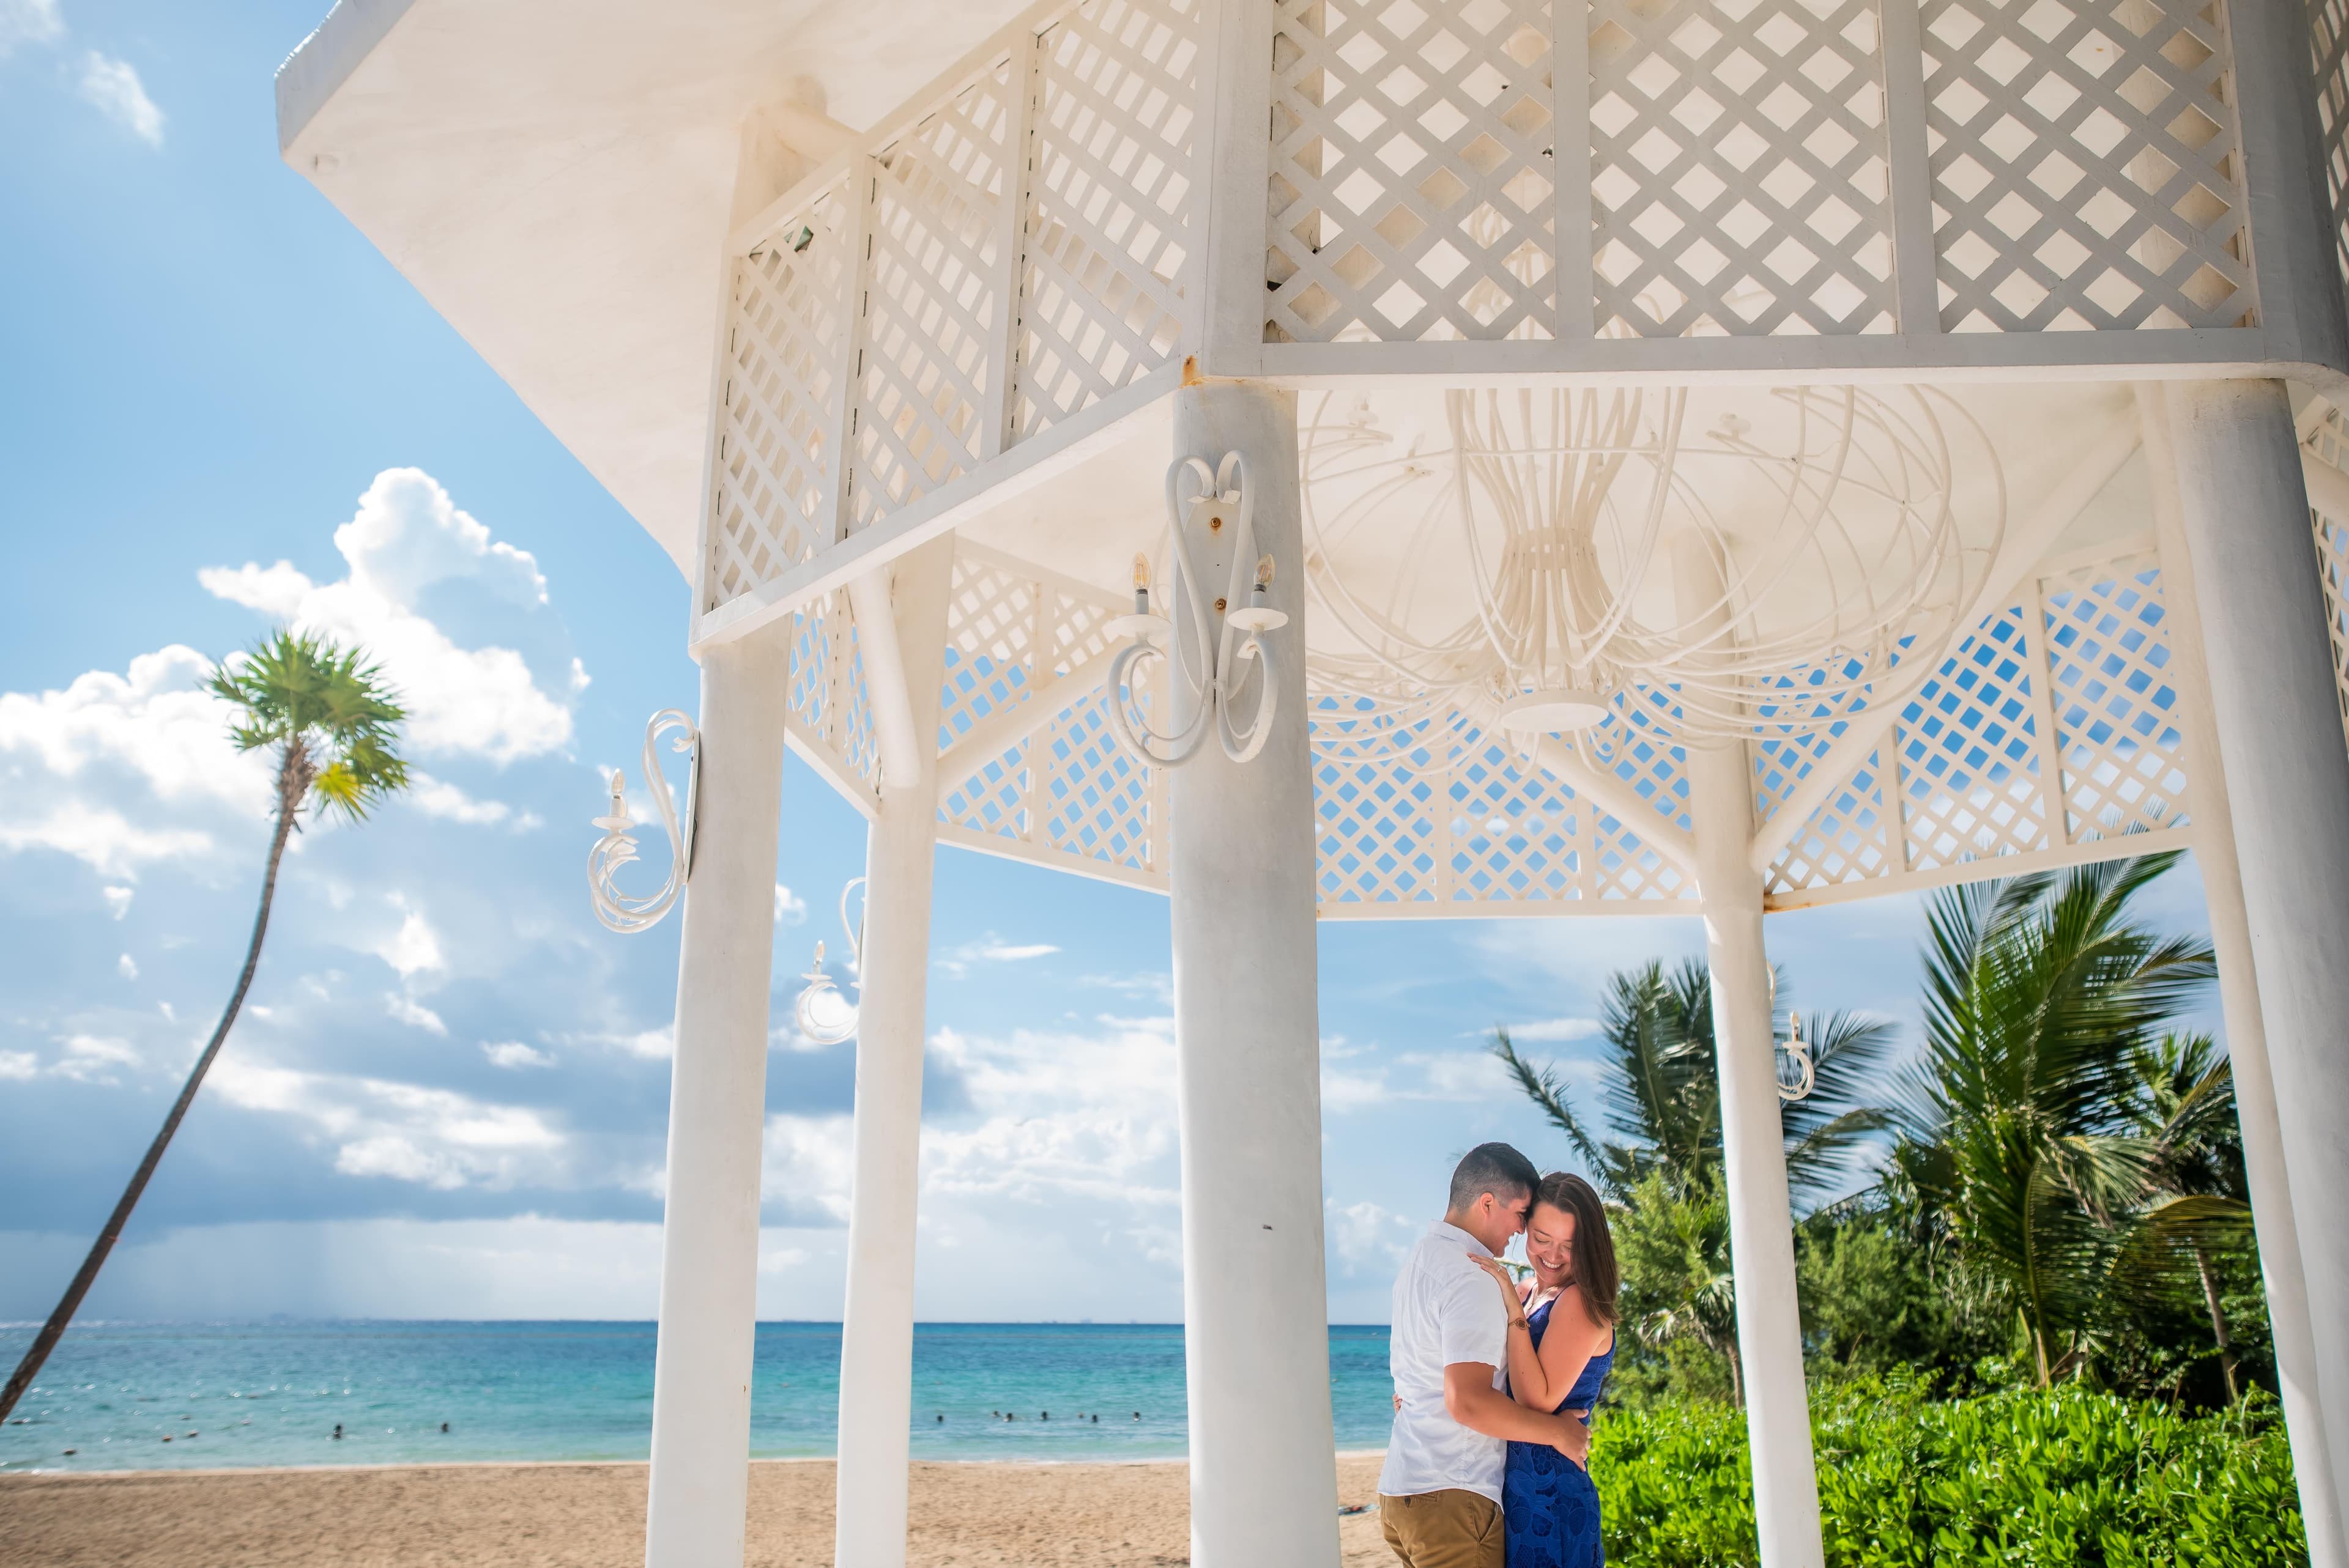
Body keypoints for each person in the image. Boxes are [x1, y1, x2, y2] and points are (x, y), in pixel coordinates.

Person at [1381, 1143, 1592, 1568]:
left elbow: (1420, 1374)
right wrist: (1556, 1432)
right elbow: (1468, 1401)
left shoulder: (1419, 1261)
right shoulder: (1470, 1277)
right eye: (1521, 1216)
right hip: (1454, 1497)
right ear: (1487, 1203)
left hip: (1403, 1490)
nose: (1519, 1231)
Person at [1469, 1171, 1618, 1568]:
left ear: (1590, 1247)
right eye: (1541, 1239)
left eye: (1570, 1246)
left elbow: (1535, 1399)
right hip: (1508, 1487)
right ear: (1524, 1229)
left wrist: (1514, 1313)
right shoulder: (1524, 1293)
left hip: (1550, 1495)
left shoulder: (1579, 1302)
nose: (1552, 1256)